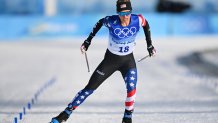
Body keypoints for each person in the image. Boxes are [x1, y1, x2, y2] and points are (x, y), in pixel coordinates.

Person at [50, 0, 156, 123]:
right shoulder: (111, 21)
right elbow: (99, 23)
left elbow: (146, 25)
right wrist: (88, 41)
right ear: (118, 14)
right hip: (110, 61)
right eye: (122, 14)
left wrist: (149, 45)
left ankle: (127, 117)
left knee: (132, 88)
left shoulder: (138, 19)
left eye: (128, 13)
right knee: (89, 88)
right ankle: (65, 114)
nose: (125, 17)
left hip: (128, 61)